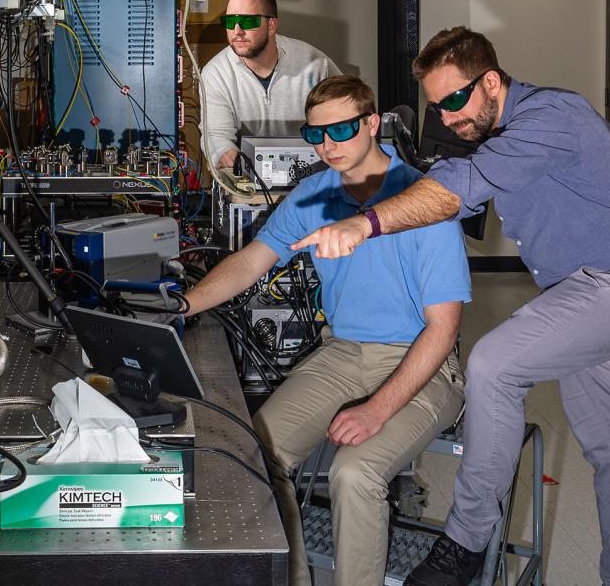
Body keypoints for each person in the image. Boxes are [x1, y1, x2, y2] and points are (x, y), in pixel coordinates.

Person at [291, 28, 610, 586]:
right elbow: (451, 182)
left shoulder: (552, 116)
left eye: (454, 100)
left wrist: (365, 222)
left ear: (491, 81)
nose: (447, 118)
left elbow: (461, 186)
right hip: (589, 295)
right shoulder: (497, 132)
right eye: (436, 107)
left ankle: (464, 545)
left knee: (494, 363)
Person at [185, 75, 471, 586]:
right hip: (342, 354)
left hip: (423, 363)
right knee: (255, 454)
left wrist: (376, 409)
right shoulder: (314, 194)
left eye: (341, 130)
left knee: (354, 472)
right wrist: (182, 306)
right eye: (316, 135)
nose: (328, 146)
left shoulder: (424, 203)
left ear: (370, 123)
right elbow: (251, 263)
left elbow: (443, 330)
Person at [200, 0, 342, 169]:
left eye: (248, 22)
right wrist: (225, 154)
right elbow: (215, 134)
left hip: (312, 176)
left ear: (272, 25)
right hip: (249, 180)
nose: (237, 31)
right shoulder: (216, 73)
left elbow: (345, 116)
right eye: (229, 21)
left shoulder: (314, 64)